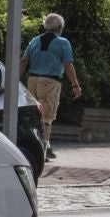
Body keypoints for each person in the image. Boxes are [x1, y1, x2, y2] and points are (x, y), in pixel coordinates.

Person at [21, 12, 81, 158]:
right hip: (50, 82)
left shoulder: (34, 41)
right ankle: (43, 149)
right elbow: (68, 65)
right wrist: (75, 85)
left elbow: (24, 61)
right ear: (60, 27)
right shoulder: (63, 42)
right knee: (46, 117)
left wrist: (15, 80)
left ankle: (44, 145)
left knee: (34, 115)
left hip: (32, 81)